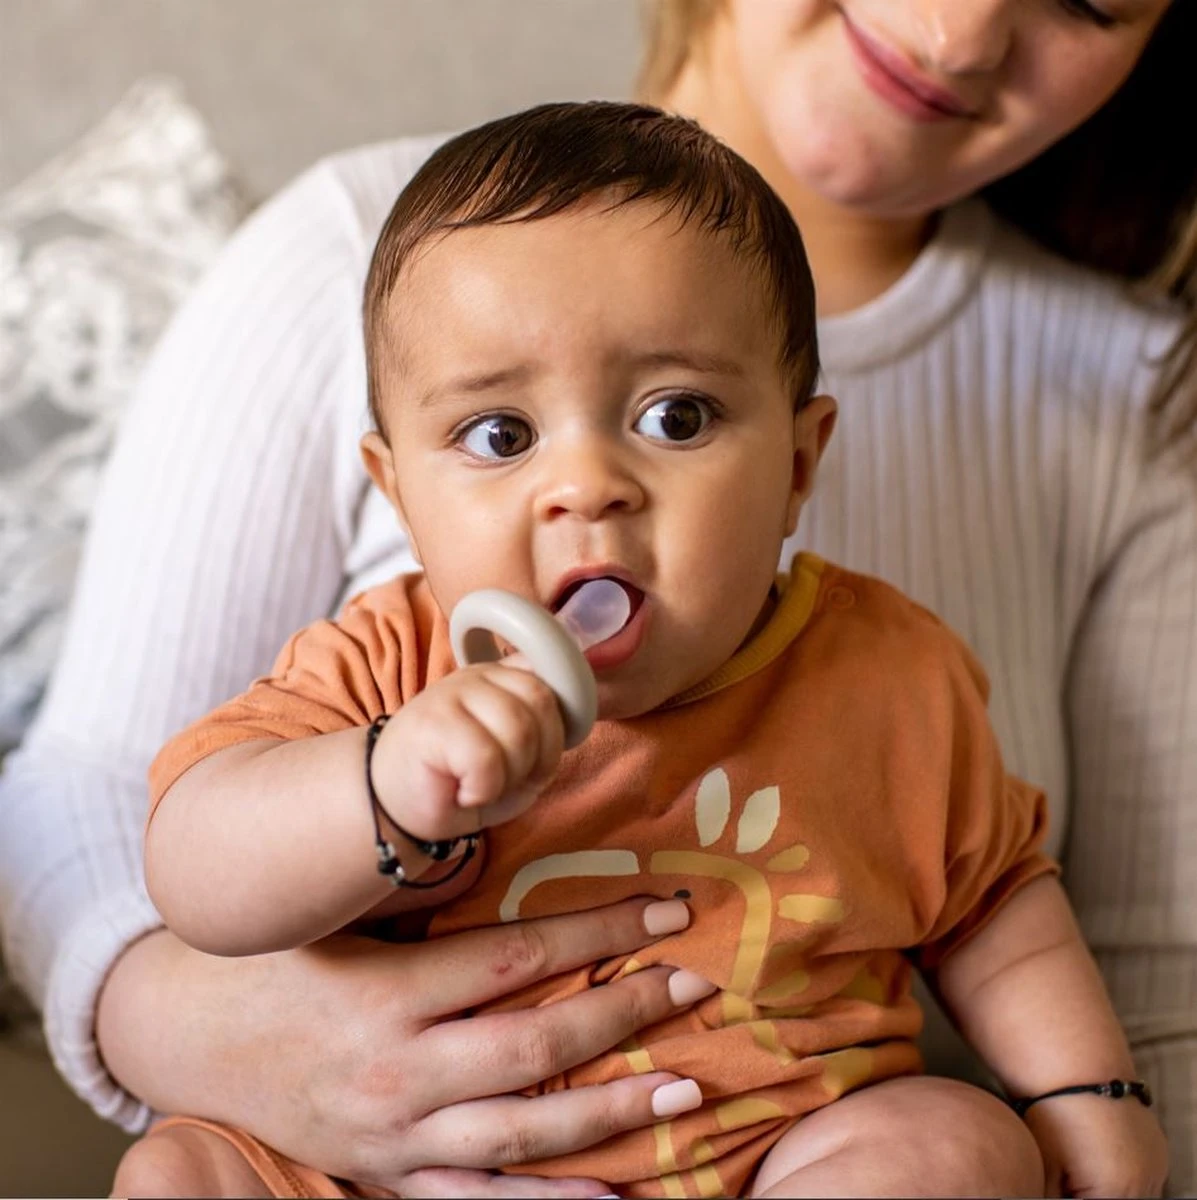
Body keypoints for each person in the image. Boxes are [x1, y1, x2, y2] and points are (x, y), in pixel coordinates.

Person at [0, 1, 1192, 1197]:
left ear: (795, 469)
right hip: (397, 1171)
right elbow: (183, 858)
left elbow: (996, 901)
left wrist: (1082, 1095)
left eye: (676, 418)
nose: (587, 489)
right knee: (185, 1172)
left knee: (951, 1147)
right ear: (400, 493)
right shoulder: (381, 666)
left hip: (770, 1153)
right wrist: (378, 785)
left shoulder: (891, 670)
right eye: (500, 434)